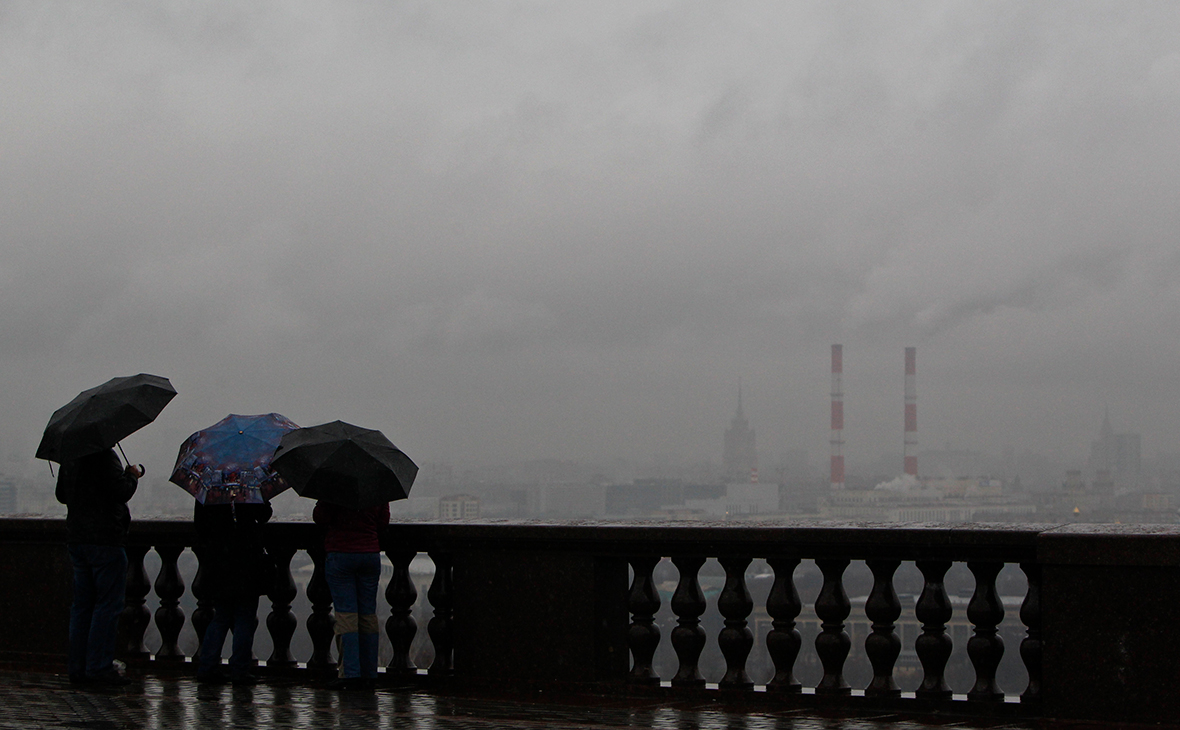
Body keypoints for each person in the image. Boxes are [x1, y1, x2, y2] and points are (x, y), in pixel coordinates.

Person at [55, 449, 143, 686]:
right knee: (107, 606)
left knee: (82, 607)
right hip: (105, 540)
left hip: (77, 538)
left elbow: (62, 495)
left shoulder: (70, 457)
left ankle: (78, 668)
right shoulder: (105, 456)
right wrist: (132, 475)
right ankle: (99, 668)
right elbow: (121, 491)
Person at [193, 499, 273, 685]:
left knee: (220, 616)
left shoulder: (209, 487)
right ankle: (240, 669)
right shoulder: (249, 485)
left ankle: (207, 667)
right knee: (244, 617)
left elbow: (201, 526)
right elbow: (262, 515)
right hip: (247, 558)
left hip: (219, 559)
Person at [313, 500, 390, 690]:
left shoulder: (334, 485)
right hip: (370, 554)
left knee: (346, 615)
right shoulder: (377, 485)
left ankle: (350, 673)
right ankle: (369, 672)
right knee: (367, 614)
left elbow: (321, 518)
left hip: (341, 553)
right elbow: (383, 522)